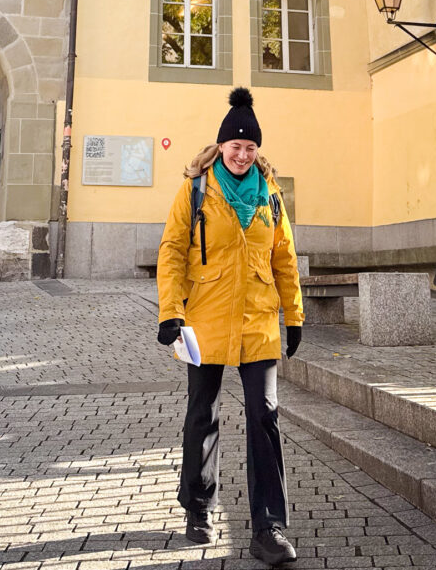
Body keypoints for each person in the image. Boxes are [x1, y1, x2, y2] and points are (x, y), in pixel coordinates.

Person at [157, 87, 304, 566]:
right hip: (205, 322)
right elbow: (173, 251)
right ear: (221, 146)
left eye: (250, 147)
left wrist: (294, 315)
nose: (243, 154)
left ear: (258, 150)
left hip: (259, 323)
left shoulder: (271, 196)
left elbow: (284, 259)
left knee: (265, 416)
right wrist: (169, 312)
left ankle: (270, 527)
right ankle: (198, 506)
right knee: (203, 415)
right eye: (235, 146)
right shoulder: (197, 189)